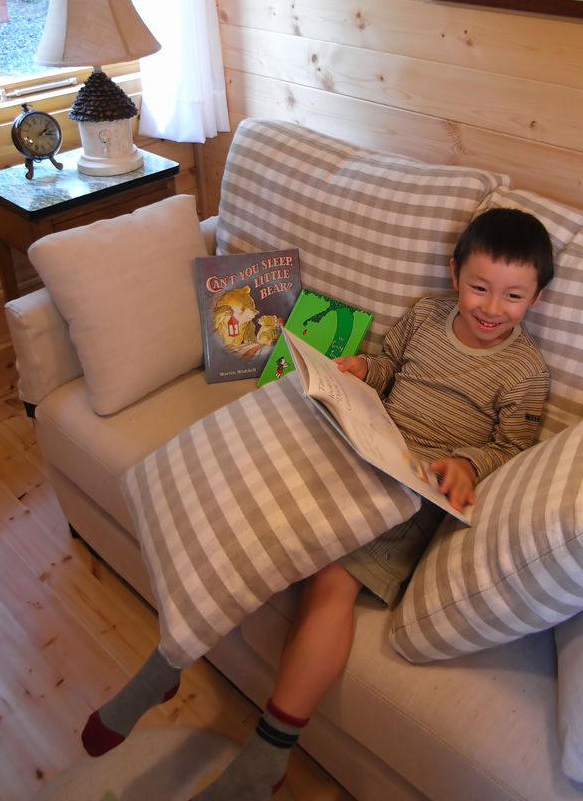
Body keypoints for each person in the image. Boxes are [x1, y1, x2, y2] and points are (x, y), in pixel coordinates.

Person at [81, 207, 555, 800]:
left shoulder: (525, 370)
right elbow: (390, 369)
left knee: (331, 578)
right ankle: (166, 665)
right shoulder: (427, 316)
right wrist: (362, 370)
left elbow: (512, 446)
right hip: (360, 443)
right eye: (479, 287)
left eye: (512, 296)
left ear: (535, 300)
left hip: (411, 489)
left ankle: (268, 756)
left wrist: (466, 464)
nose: (490, 307)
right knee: (259, 515)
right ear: (455, 272)